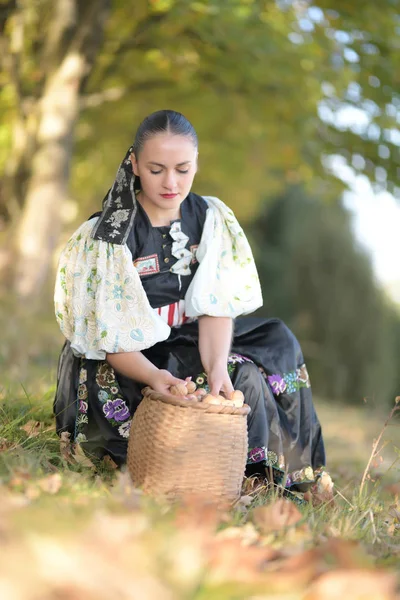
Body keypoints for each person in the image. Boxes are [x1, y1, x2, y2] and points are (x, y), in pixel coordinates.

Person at [54, 109, 328, 495]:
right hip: (132, 352)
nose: (171, 182)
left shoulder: (210, 217)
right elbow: (111, 336)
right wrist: (155, 378)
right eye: (156, 169)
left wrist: (216, 367)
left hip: (191, 333)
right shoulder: (110, 233)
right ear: (133, 164)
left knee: (268, 347)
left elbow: (215, 305)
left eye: (183, 169)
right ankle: (215, 474)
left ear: (196, 164)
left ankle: (282, 475)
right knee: (242, 375)